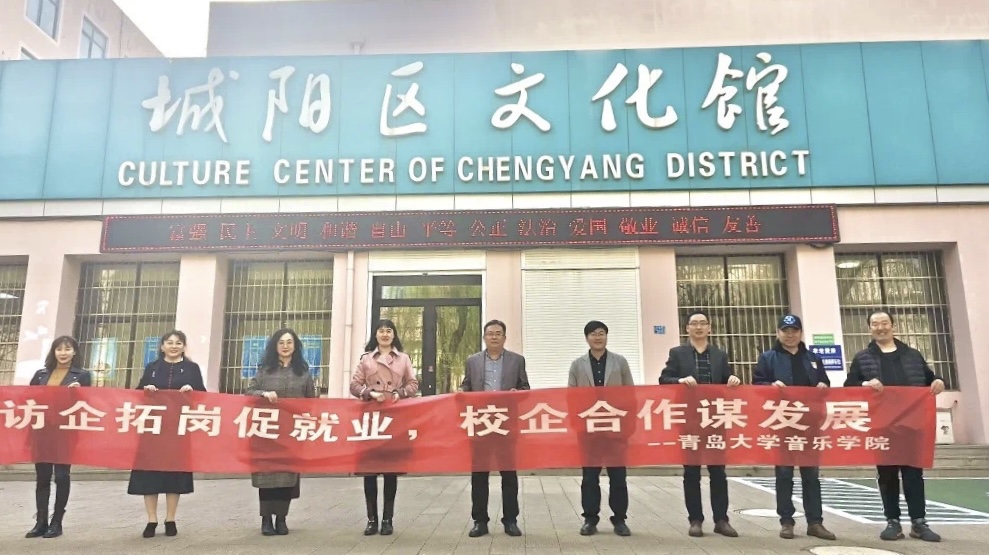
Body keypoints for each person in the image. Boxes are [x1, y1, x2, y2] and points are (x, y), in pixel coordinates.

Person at [845, 310, 945, 543]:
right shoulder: (863, 357)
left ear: (893, 325)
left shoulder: (912, 355)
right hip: (882, 426)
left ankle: (919, 522)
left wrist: (938, 381)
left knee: (914, 474)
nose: (880, 327)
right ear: (869, 328)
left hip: (913, 425)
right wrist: (865, 383)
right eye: (875, 324)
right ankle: (893, 522)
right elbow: (849, 385)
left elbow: (930, 377)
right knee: (887, 475)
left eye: (884, 323)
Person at [753, 314, 836, 541]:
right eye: (785, 331)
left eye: (794, 331)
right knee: (784, 475)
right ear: (778, 333)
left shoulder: (812, 358)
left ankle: (815, 522)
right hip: (782, 424)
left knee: (811, 476)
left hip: (810, 425)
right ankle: (786, 522)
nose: (790, 335)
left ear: (800, 333)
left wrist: (823, 385)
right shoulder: (767, 358)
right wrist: (770, 386)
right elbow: (757, 385)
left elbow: (825, 383)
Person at [659, 310, 741, 538]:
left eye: (702, 323)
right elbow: (663, 380)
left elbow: (727, 382)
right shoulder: (677, 354)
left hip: (716, 420)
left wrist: (733, 380)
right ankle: (695, 519)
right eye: (694, 323)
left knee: (718, 472)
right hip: (690, 421)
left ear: (709, 328)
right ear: (687, 328)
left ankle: (721, 520)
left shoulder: (719, 355)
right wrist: (680, 380)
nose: (698, 327)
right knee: (691, 472)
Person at [127, 330, 206, 538]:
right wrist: (146, 389)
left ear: (183, 347)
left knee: (174, 474)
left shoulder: (192, 369)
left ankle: (170, 518)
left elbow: (203, 396)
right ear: (162, 346)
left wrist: (192, 391)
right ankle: (151, 520)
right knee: (149, 474)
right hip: (152, 429)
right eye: (169, 342)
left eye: (178, 343)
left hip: (178, 429)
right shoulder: (152, 368)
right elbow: (138, 393)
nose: (173, 346)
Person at [462, 319, 530, 538]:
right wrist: (461, 392)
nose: (494, 337)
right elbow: (467, 385)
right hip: (480, 423)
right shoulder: (472, 361)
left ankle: (510, 520)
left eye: (498, 333)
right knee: (479, 475)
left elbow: (525, 388)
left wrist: (518, 393)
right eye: (490, 333)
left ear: (504, 337)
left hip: (505, 423)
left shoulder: (517, 360)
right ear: (484, 337)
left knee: (509, 474)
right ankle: (480, 521)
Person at [350, 319, 419, 536]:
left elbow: (413, 383)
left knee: (391, 471)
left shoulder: (404, 358)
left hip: (394, 418)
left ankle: (388, 519)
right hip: (371, 419)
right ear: (376, 335)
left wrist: (400, 393)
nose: (385, 334)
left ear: (394, 335)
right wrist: (370, 393)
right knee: (369, 471)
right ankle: (372, 520)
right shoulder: (366, 359)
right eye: (381, 331)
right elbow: (354, 385)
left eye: (389, 331)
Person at [246, 328, 317, 536]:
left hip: (291, 433)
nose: (285, 346)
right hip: (266, 432)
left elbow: (312, 402)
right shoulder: (264, 370)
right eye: (281, 342)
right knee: (266, 478)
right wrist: (263, 394)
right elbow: (249, 392)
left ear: (295, 346)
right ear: (275, 346)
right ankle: (266, 519)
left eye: (289, 342)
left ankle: (281, 518)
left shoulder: (303, 372)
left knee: (287, 477)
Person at [568, 320, 634, 537]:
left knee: (618, 476)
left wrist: (629, 425)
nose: (598, 337)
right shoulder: (577, 365)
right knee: (589, 477)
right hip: (588, 428)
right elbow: (571, 396)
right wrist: (577, 424)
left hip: (615, 427)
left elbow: (630, 394)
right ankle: (590, 519)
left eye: (601, 333)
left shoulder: (619, 362)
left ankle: (620, 519)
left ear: (606, 336)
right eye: (593, 334)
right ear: (586, 338)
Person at [25, 336, 91, 539]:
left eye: (67, 349)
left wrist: (77, 393)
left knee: (62, 476)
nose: (63, 353)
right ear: (53, 352)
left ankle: (57, 522)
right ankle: (40, 522)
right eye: (59, 349)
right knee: (42, 477)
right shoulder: (41, 374)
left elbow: (89, 402)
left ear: (74, 352)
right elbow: (28, 398)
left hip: (65, 432)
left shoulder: (82, 375)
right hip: (42, 431)